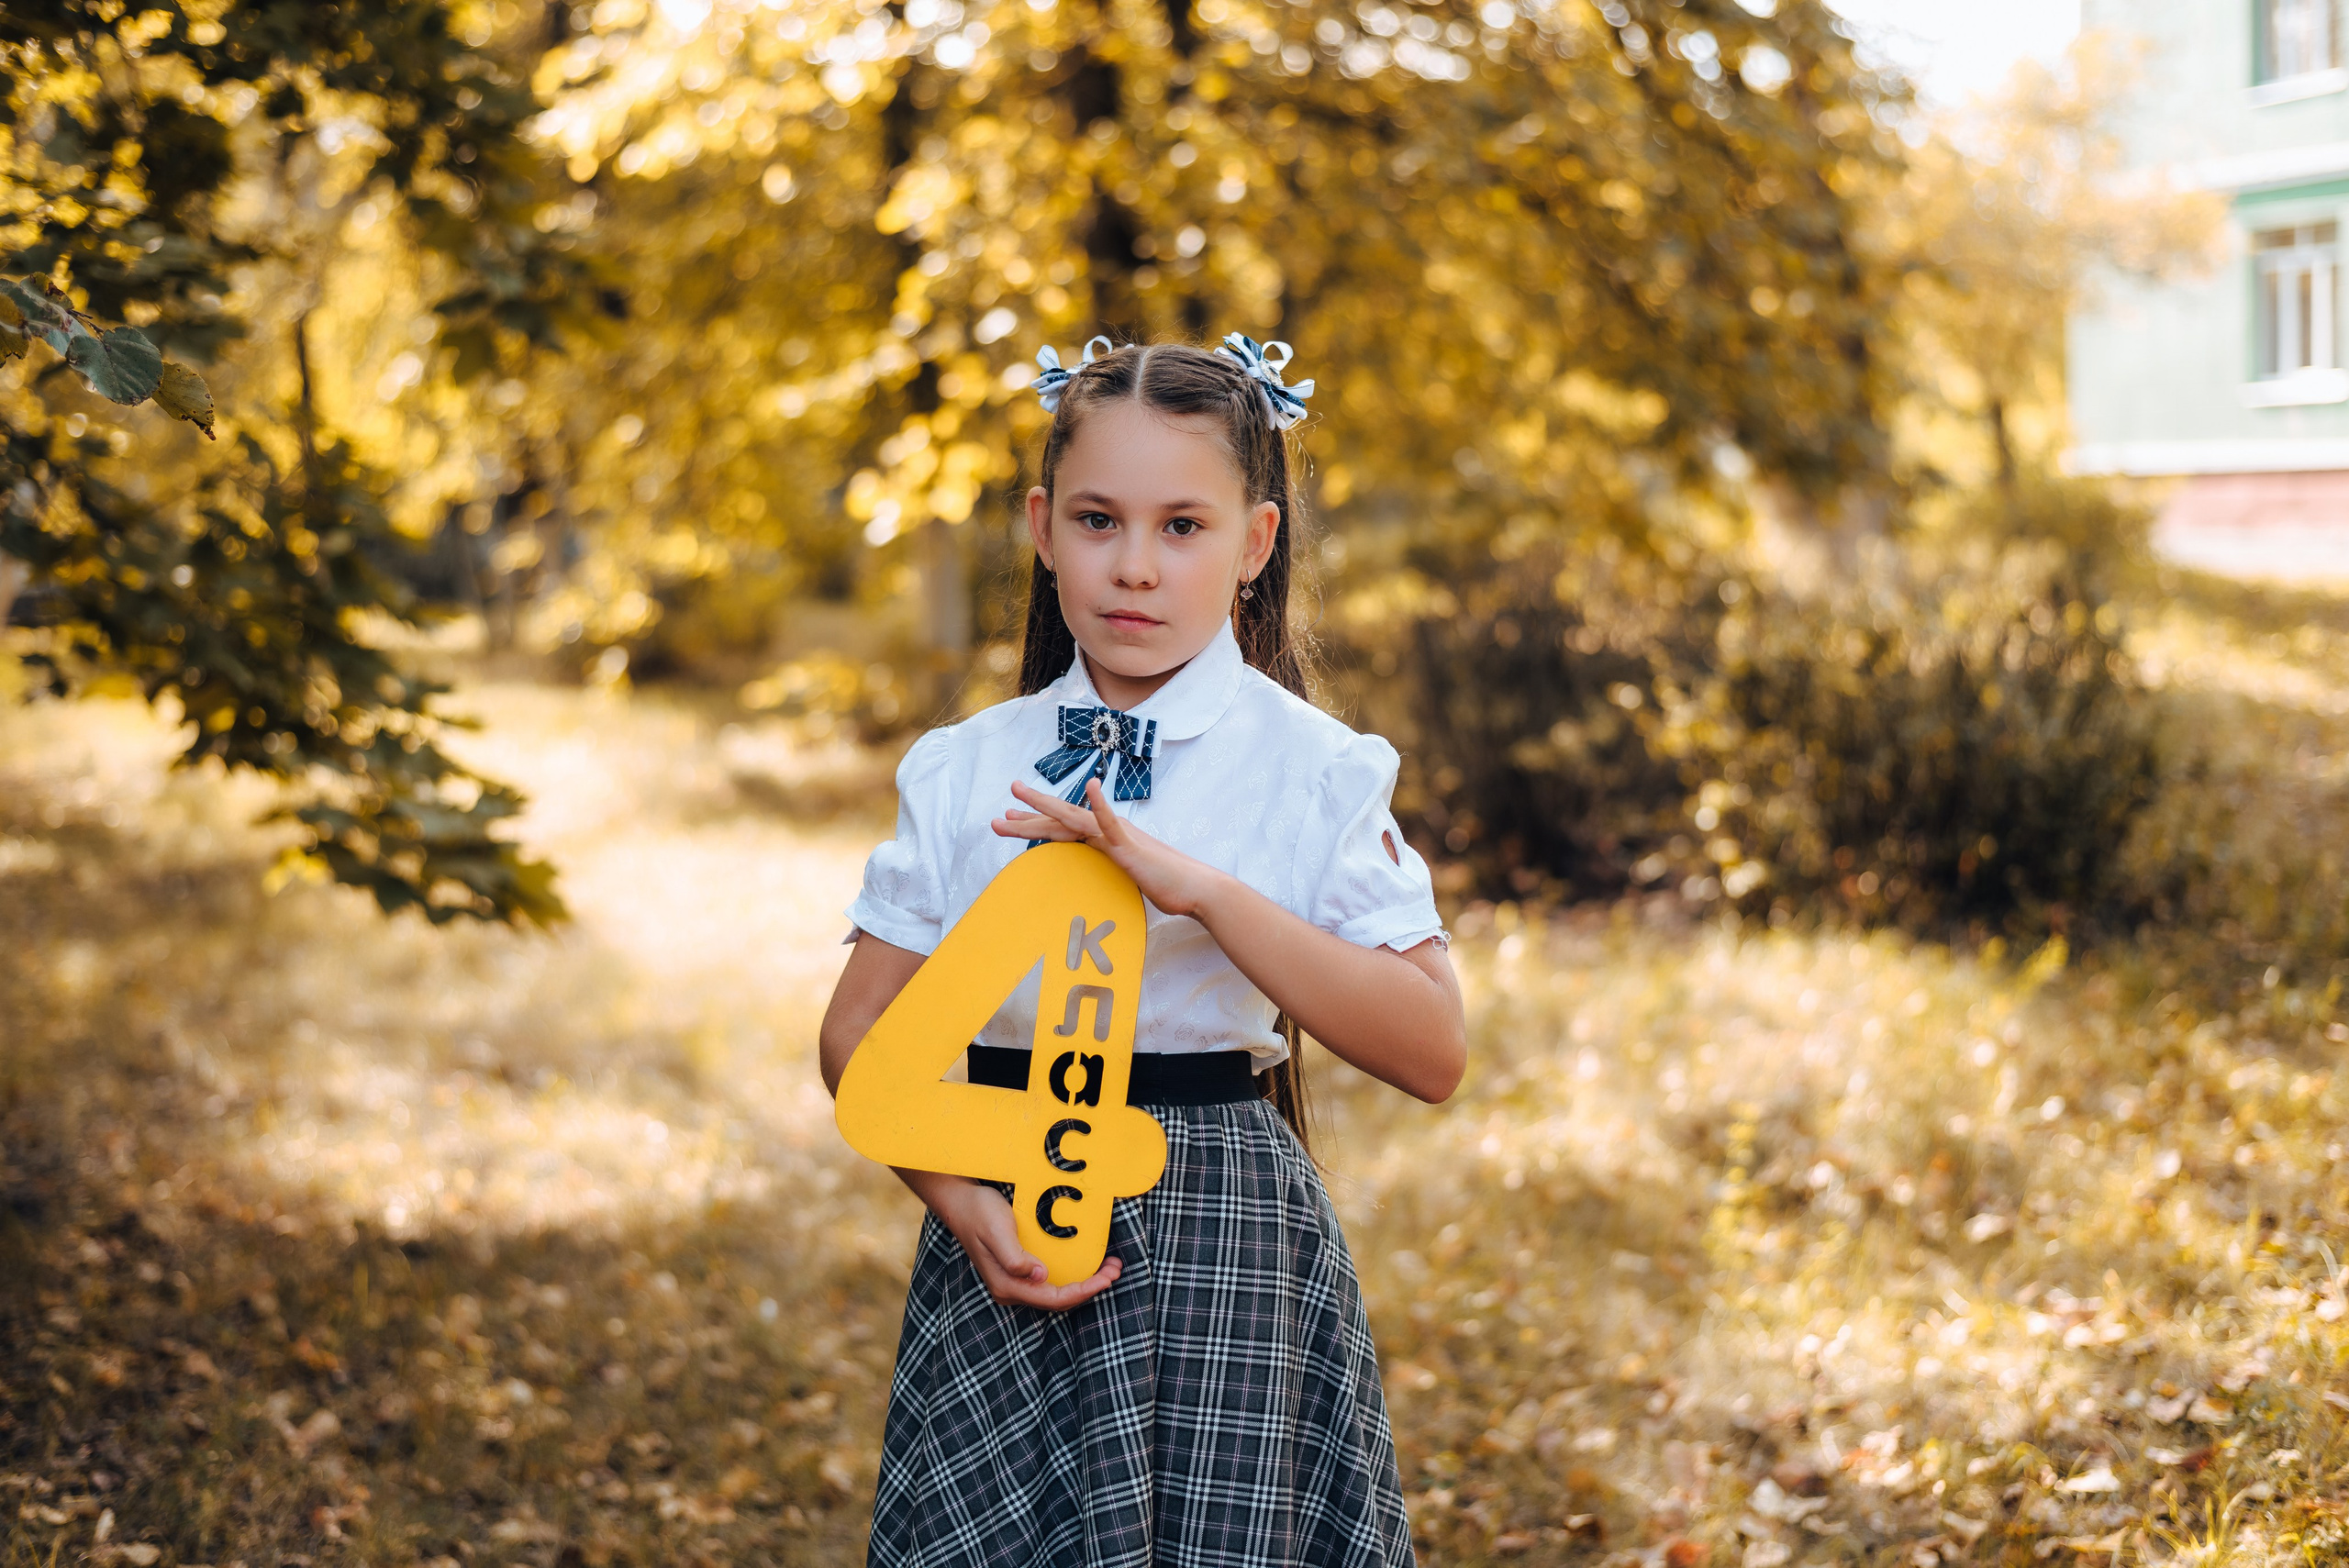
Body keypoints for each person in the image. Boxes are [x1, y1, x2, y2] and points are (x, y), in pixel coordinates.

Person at [818, 332, 1467, 1568]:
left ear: (1255, 542)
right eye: (1099, 518)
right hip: (1011, 1209)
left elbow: (1433, 1047)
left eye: (1183, 526)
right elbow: (859, 1039)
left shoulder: (1313, 768)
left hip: (1227, 1234)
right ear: (1042, 526)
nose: (1134, 566)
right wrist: (964, 1212)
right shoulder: (965, 766)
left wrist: (1203, 893)